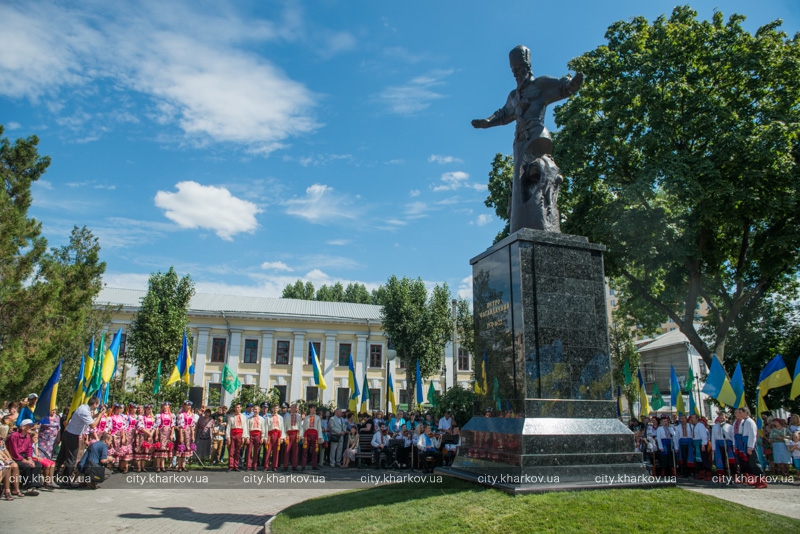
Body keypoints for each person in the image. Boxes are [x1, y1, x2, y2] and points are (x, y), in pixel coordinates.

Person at [471, 45, 583, 233]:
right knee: (520, 187)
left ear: (527, 66)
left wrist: (571, 84)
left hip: (537, 137)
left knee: (538, 173)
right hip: (520, 143)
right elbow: (503, 114)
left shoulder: (540, 84)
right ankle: (526, 224)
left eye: (519, 68)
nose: (516, 73)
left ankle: (542, 220)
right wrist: (486, 122)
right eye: (513, 70)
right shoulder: (513, 96)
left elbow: (562, 87)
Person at [60, 396, 104, 484]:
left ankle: (58, 477)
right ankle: (66, 480)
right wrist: (100, 415)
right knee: (71, 459)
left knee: (62, 457)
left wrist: (97, 414)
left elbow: (90, 417)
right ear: (95, 404)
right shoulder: (85, 411)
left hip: (69, 434)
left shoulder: (83, 408)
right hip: (72, 436)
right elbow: (93, 425)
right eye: (97, 404)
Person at [6, 419, 43, 495]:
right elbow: (14, 452)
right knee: (26, 466)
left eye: (31, 426)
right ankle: (26, 486)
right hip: (14, 457)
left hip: (24, 456)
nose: (31, 427)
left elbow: (29, 449)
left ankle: (33, 486)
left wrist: (30, 459)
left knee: (37, 464)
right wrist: (26, 461)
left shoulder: (27, 436)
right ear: (23, 427)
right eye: (29, 426)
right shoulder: (14, 436)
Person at [736, 406, 767, 488]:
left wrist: (750, 447)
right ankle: (757, 480)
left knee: (754, 461)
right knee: (750, 462)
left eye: (741, 412)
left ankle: (762, 481)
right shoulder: (745, 422)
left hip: (750, 443)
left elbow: (752, 435)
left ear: (746, 412)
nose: (740, 414)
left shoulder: (750, 421)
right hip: (746, 442)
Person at [710, 413, 735, 481]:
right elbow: (713, 437)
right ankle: (721, 475)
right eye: (720, 416)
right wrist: (713, 448)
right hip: (718, 444)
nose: (721, 418)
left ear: (726, 418)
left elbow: (733, 437)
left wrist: (734, 445)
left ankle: (735, 475)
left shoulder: (729, 427)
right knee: (720, 460)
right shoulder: (714, 427)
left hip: (727, 443)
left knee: (730, 460)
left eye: (723, 416)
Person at [226, 403, 249, 472]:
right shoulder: (231, 417)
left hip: (240, 434)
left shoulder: (243, 417)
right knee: (231, 450)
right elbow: (229, 427)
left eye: (238, 407)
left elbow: (245, 427)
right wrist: (228, 437)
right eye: (236, 407)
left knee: (238, 450)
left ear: (241, 408)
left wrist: (244, 437)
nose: (237, 409)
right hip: (233, 433)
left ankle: (236, 465)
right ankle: (231, 465)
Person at [153, 402, 175, 473]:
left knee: (165, 449)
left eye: (166, 406)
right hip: (161, 433)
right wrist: (156, 435)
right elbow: (156, 426)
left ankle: (162, 465)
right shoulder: (159, 415)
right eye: (164, 406)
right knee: (160, 449)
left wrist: (171, 434)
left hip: (167, 433)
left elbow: (172, 426)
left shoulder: (171, 415)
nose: (165, 407)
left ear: (169, 407)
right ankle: (158, 466)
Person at [134, 404, 156, 472]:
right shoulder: (141, 417)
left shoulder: (152, 418)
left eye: (150, 409)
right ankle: (138, 467)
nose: (149, 410)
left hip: (149, 435)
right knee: (140, 450)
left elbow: (154, 426)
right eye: (148, 409)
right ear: (145, 409)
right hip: (142, 435)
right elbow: (140, 427)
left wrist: (151, 434)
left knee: (145, 450)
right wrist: (149, 433)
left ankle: (143, 466)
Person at [0, 435, 23, 499]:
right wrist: (5, 459)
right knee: (8, 466)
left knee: (15, 465)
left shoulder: (2, 440)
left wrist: (10, 459)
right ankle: (7, 491)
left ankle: (16, 489)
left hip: (4, 458)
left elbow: (5, 450)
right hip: (1, 459)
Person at [301, 404, 322, 470]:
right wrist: (302, 437)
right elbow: (303, 428)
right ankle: (303, 465)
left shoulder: (318, 418)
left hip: (315, 434)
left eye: (315, 408)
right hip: (307, 434)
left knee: (315, 450)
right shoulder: (306, 418)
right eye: (313, 408)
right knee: (305, 450)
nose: (314, 409)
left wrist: (320, 437)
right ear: (310, 409)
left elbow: (319, 428)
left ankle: (314, 465)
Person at [176, 401, 196, 472]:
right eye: (187, 405)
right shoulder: (182, 415)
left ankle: (183, 465)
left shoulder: (192, 415)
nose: (189, 406)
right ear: (184, 406)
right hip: (183, 431)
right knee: (181, 448)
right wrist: (181, 436)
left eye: (190, 405)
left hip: (189, 432)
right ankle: (179, 465)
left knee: (186, 448)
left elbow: (192, 426)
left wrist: (193, 435)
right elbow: (180, 426)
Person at [265, 404, 285, 472]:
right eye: (274, 408)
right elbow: (266, 428)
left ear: (278, 409)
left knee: (276, 451)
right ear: (272, 409)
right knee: (268, 451)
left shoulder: (280, 418)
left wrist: (282, 437)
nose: (275, 409)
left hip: (278, 434)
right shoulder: (268, 418)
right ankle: (266, 466)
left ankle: (274, 466)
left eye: (276, 408)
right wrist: (266, 437)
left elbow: (282, 427)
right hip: (270, 434)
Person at [283, 404, 302, 471]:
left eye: (295, 407)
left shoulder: (299, 416)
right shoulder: (287, 416)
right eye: (292, 407)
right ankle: (285, 466)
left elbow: (300, 426)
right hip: (289, 433)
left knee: (295, 451)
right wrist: (284, 435)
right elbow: (284, 426)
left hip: (296, 433)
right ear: (290, 408)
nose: (293, 408)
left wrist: (300, 435)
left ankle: (295, 466)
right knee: (287, 450)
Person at [246, 405, 264, 471]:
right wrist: (247, 437)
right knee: (249, 451)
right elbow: (247, 428)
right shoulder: (249, 419)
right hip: (251, 434)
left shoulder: (261, 419)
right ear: (252, 410)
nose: (255, 411)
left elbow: (263, 429)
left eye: (257, 409)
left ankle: (254, 466)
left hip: (258, 435)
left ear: (259, 410)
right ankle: (248, 465)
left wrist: (262, 437)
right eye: (254, 409)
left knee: (256, 451)